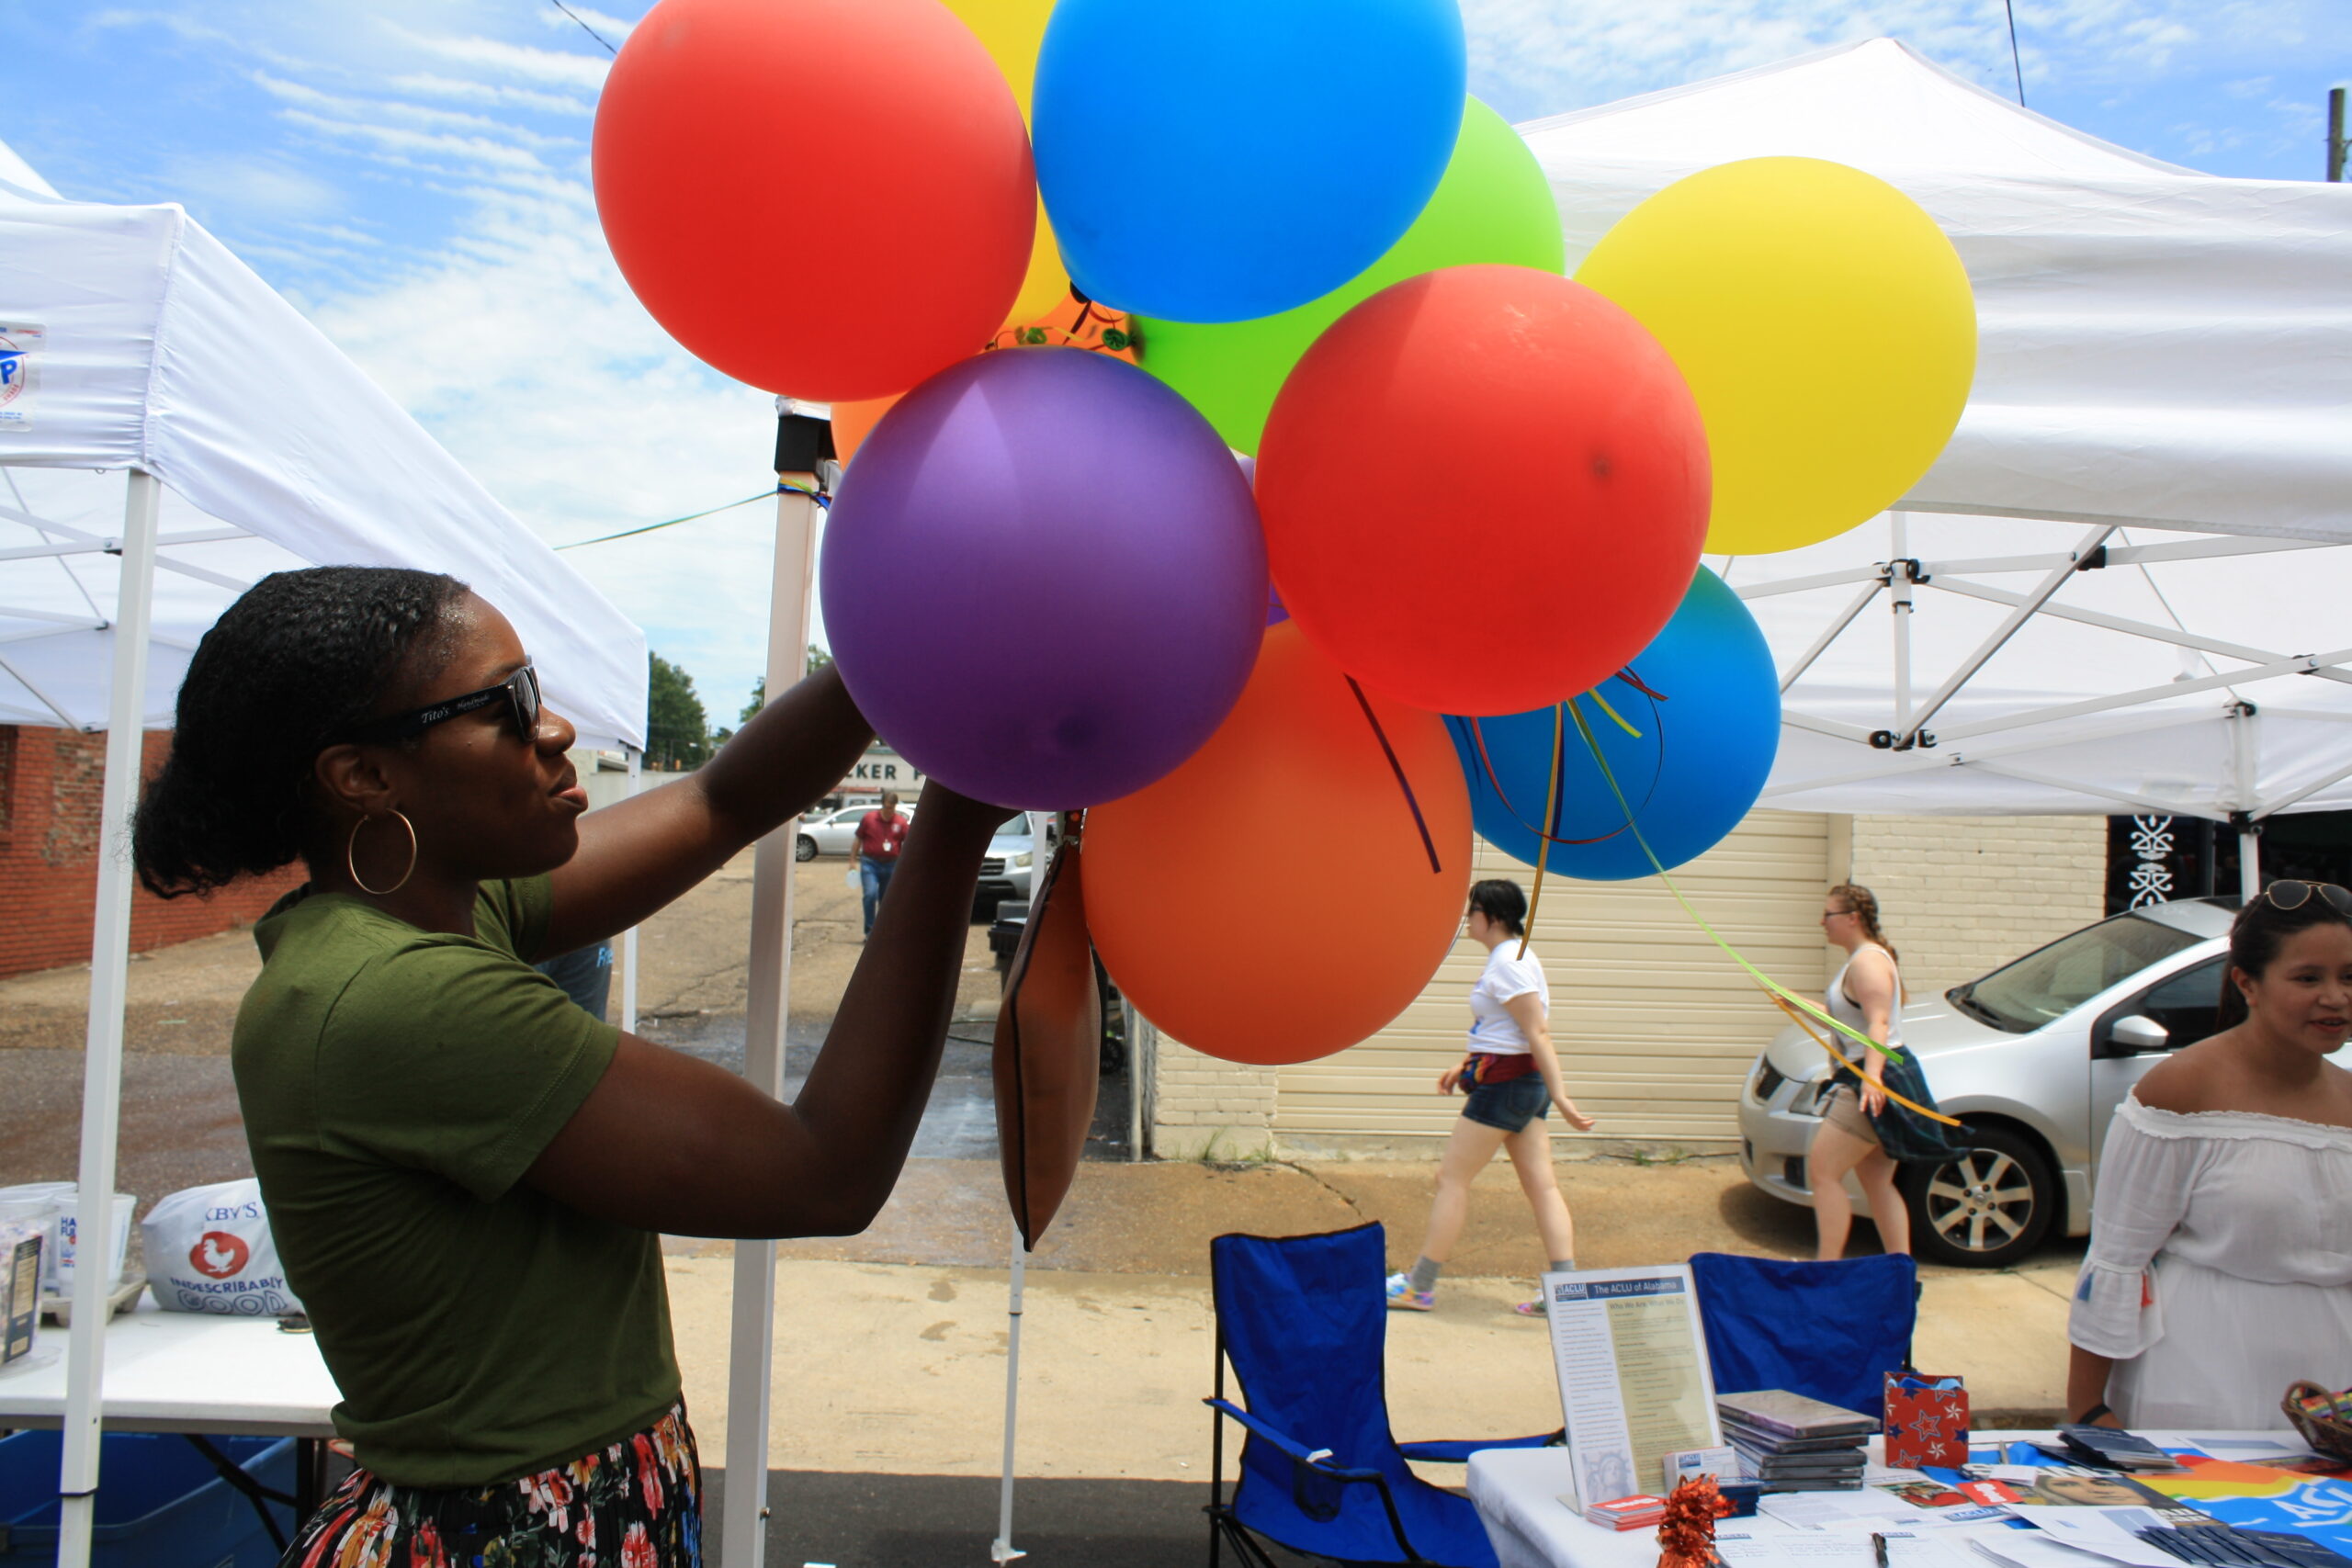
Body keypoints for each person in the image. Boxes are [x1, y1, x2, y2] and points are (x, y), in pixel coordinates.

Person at [130, 568, 1003, 1563]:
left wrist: (910, 643)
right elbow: (823, 1170)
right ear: (363, 777)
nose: (551, 732)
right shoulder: (401, 1001)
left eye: (534, 693)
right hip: (506, 1537)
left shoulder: (421, 919)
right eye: (504, 709)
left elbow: (721, 800)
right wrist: (962, 808)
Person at [2065, 881, 2352, 1430]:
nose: (2335, 997)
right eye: (2308, 978)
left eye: (2349, 977)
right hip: (2201, 1385)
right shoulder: (2179, 1091)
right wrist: (2088, 1410)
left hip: (2330, 1398)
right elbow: (2117, 1260)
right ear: (2248, 982)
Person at [1385, 879, 1599, 1317]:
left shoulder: (1508, 964)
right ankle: (1566, 1293)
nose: (1467, 918)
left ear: (1494, 918)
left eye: (1473, 910)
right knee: (1543, 1187)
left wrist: (1561, 1096)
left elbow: (1536, 1031)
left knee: (1451, 1179)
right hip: (1518, 1083)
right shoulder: (1512, 958)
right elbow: (1502, 1028)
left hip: (1508, 1086)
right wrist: (1464, 1064)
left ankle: (1419, 1287)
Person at [1809, 883, 1917, 1260]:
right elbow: (1846, 1022)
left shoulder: (1868, 961)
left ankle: (1826, 1270)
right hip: (1872, 1074)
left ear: (1852, 918)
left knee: (1822, 1172)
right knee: (1876, 1180)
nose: (1822, 922)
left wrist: (1871, 1079)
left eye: (1829, 914)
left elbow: (1879, 1023)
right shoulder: (1862, 959)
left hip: (1870, 1079)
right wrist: (1792, 1002)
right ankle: (1900, 1270)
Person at [852, 790, 910, 938]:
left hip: (891, 865)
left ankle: (882, 933)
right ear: (883, 804)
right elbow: (858, 839)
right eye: (887, 807)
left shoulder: (901, 823)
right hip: (870, 863)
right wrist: (852, 860)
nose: (889, 811)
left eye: (892, 807)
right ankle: (870, 932)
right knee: (870, 894)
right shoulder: (869, 819)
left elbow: (908, 844)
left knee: (886, 900)